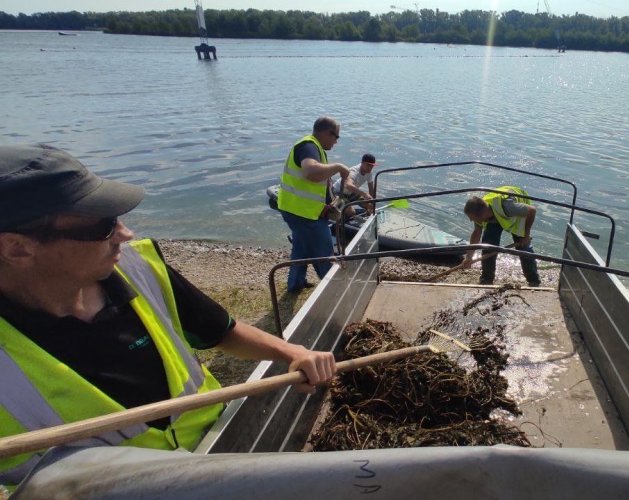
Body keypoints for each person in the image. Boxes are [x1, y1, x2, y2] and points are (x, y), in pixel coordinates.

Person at [0, 144, 336, 490]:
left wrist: (291, 352)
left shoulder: (139, 268)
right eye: (103, 227)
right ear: (16, 247)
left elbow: (223, 332)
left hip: (225, 452)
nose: (125, 235)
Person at [277, 116, 351, 294]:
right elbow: (311, 172)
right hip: (304, 213)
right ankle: (335, 292)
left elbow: (318, 183)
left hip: (297, 209)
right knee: (325, 254)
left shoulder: (316, 149)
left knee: (301, 248)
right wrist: (338, 166)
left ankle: (295, 284)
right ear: (326, 133)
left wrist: (331, 204)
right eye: (336, 137)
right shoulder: (308, 146)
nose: (336, 141)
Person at [461, 185, 541, 287]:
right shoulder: (480, 211)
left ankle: (534, 281)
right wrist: (469, 257)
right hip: (494, 215)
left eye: (472, 218)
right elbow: (477, 232)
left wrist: (526, 235)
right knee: (488, 246)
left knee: (523, 248)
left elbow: (532, 210)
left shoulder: (508, 207)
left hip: (517, 215)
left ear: (482, 214)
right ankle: (486, 279)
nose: (471, 220)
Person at [331, 153, 378, 218]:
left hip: (351, 193)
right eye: (368, 165)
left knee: (368, 204)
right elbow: (348, 185)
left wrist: (371, 203)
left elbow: (371, 189)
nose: (370, 168)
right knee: (351, 212)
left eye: (372, 166)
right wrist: (364, 194)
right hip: (338, 192)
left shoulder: (369, 172)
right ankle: (341, 213)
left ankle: (366, 216)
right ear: (362, 163)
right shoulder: (354, 171)